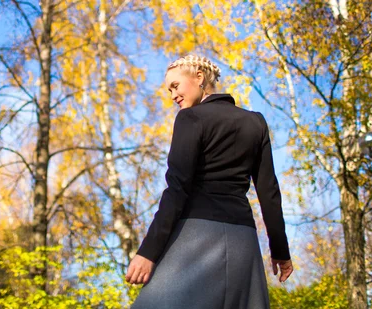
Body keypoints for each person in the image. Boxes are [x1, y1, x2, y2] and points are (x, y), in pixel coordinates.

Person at [126, 55, 293, 309]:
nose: (173, 95)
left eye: (175, 86)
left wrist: (148, 252)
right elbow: (269, 192)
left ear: (199, 78)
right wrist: (280, 251)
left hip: (196, 238)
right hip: (243, 241)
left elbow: (177, 189)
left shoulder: (190, 118)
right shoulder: (256, 122)